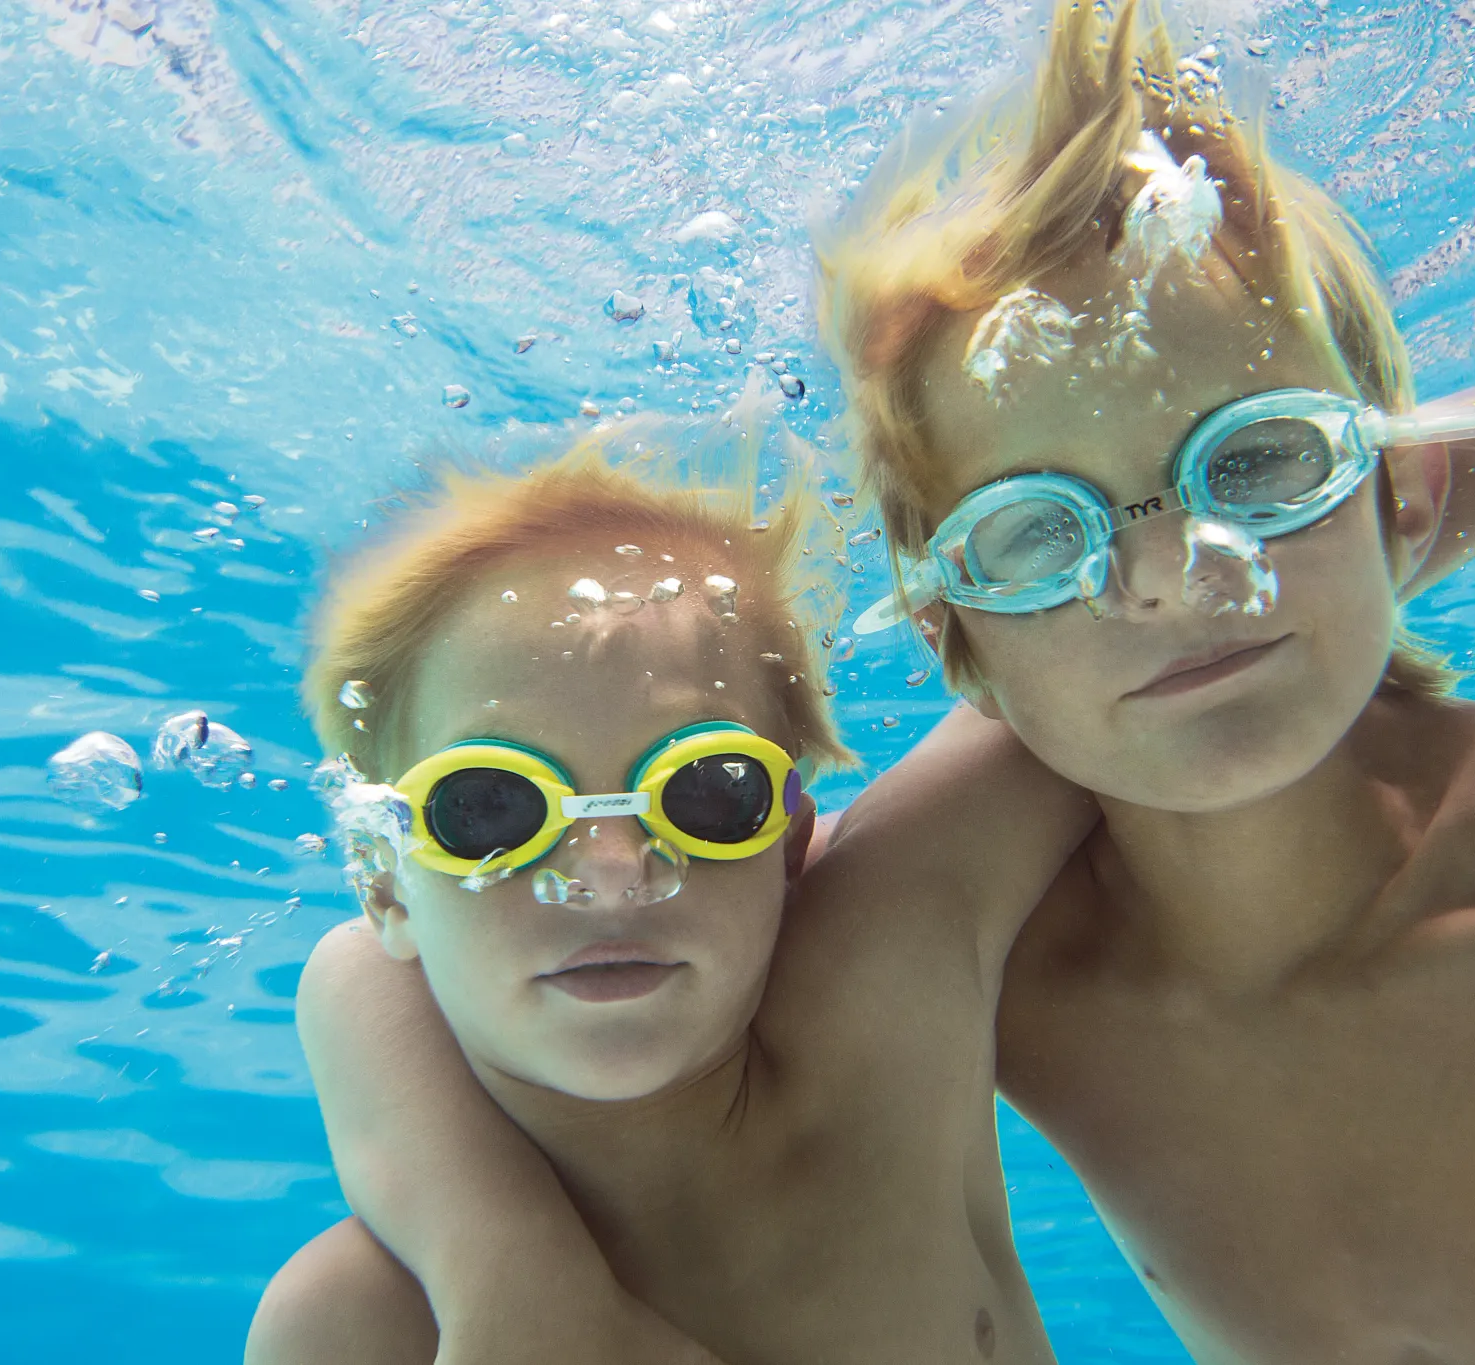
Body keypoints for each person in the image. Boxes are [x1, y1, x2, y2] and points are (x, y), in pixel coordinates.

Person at [254, 4, 1475, 1362]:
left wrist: (1371, 504)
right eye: (490, 813)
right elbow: (358, 972)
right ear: (962, 643)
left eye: (1267, 466)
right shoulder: (978, 966)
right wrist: (507, 1268)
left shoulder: (896, 989)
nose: (1171, 576)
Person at [248, 434, 1090, 1364]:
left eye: (705, 790)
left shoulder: (885, 984)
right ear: (382, 878)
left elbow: (1087, 672)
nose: (612, 868)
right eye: (489, 808)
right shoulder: (358, 1325)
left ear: (789, 835)